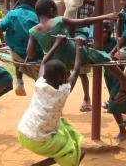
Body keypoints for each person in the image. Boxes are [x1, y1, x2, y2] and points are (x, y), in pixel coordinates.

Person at [27, 0, 126, 105]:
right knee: (103, 56)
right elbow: (84, 21)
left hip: (59, 63)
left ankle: (54, 102)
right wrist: (106, 16)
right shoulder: (59, 20)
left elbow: (30, 54)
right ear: (51, 11)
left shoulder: (33, 31)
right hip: (76, 55)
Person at [18, 36, 84, 166]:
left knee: (65, 128)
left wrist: (57, 43)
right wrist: (79, 48)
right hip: (39, 140)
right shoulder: (62, 92)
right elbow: (76, 71)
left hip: (23, 132)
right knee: (73, 150)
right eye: (66, 73)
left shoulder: (39, 84)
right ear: (64, 77)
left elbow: (43, 63)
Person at [0, 0, 44, 96]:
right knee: (41, 76)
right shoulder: (37, 16)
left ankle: (19, 82)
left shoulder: (11, 14)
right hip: (34, 55)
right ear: (34, 1)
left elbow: (0, 26)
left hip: (16, 52)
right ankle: (40, 92)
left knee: (15, 54)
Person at [76, 0, 95, 113]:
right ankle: (59, 101)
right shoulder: (66, 1)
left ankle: (87, 98)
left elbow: (92, 22)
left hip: (84, 39)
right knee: (64, 72)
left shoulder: (88, 5)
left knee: (82, 73)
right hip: (68, 38)